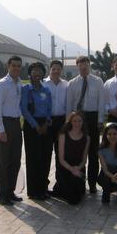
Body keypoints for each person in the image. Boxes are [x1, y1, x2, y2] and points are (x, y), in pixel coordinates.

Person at [66, 56, 105, 193]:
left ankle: (93, 183)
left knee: (93, 153)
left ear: (89, 66)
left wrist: (101, 120)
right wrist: (68, 122)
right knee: (78, 152)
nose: (83, 68)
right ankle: (79, 182)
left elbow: (101, 102)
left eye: (86, 65)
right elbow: (69, 105)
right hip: (77, 119)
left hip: (93, 118)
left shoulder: (98, 81)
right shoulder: (72, 83)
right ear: (77, 66)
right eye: (81, 65)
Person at [0, 56, 24, 205]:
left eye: (18, 66)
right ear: (8, 66)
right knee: (3, 162)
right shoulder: (2, 85)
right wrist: (1, 130)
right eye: (14, 66)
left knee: (15, 161)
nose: (16, 68)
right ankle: (2, 195)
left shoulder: (19, 83)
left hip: (16, 124)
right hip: (4, 124)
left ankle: (10, 191)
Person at [20, 62, 52, 200]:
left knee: (44, 157)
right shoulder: (26, 89)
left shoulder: (46, 90)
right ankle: (33, 191)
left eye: (40, 71)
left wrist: (46, 124)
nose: (37, 73)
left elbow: (50, 109)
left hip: (45, 126)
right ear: (30, 73)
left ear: (43, 73)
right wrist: (36, 125)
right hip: (31, 126)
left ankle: (43, 189)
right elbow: (24, 110)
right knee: (33, 158)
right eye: (34, 71)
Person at [54, 111, 90, 205]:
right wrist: (71, 169)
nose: (77, 123)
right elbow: (61, 159)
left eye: (79, 121)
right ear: (70, 122)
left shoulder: (87, 138)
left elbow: (84, 160)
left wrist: (77, 169)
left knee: (77, 196)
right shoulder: (63, 135)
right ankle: (60, 187)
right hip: (65, 168)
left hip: (78, 169)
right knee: (72, 199)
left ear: (83, 122)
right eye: (74, 121)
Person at [43, 60, 68, 193]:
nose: (56, 71)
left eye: (59, 69)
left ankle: (60, 184)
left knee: (61, 154)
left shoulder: (66, 85)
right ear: (50, 69)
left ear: (61, 70)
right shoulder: (43, 84)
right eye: (54, 69)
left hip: (62, 122)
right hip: (48, 122)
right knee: (46, 153)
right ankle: (44, 184)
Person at [97, 123, 117, 204]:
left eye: (115, 134)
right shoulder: (101, 150)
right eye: (109, 134)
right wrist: (112, 177)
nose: (112, 136)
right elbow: (104, 169)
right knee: (106, 177)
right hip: (106, 174)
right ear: (106, 135)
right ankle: (106, 192)